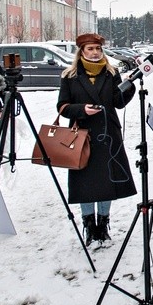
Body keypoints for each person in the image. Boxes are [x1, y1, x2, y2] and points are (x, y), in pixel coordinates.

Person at [57, 33, 136, 245]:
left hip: (108, 134)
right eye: (90, 49)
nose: (94, 53)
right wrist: (81, 109)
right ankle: (89, 225)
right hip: (82, 136)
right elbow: (62, 107)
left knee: (106, 182)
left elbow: (117, 103)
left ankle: (103, 223)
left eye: (98, 49)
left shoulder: (111, 73)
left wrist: (130, 87)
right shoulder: (69, 75)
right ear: (81, 51)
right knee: (85, 183)